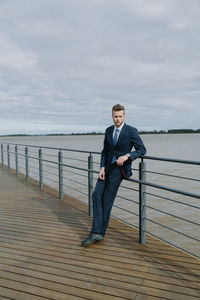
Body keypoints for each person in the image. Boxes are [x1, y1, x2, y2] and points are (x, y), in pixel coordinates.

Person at [81, 104, 146, 247]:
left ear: (124, 116)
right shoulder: (108, 130)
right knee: (96, 195)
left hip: (119, 170)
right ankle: (98, 231)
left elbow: (142, 149)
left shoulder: (131, 131)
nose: (117, 119)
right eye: (115, 116)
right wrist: (102, 167)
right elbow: (105, 151)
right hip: (107, 169)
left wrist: (128, 156)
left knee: (107, 200)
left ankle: (97, 233)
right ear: (112, 116)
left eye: (120, 116)